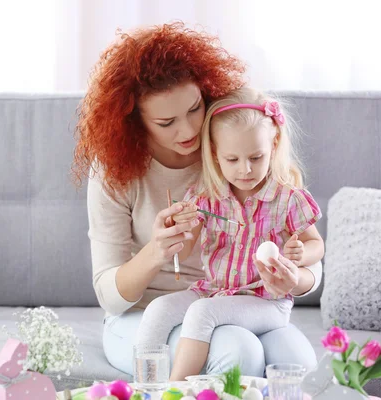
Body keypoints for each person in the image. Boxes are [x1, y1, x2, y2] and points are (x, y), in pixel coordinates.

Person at [72, 22, 322, 378]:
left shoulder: (236, 143)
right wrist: (157, 251)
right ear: (135, 122)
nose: (188, 131)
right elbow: (110, 297)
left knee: (297, 361)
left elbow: (303, 247)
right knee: (239, 350)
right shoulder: (115, 171)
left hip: (241, 304)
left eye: (194, 108)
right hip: (145, 315)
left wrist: (293, 278)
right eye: (166, 122)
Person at [132, 87, 324, 381]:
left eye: (256, 157)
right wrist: (178, 233)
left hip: (267, 301)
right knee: (159, 309)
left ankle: (174, 391)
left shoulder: (287, 198)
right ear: (215, 154)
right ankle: (145, 386)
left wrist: (302, 254)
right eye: (232, 159)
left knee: (201, 313)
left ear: (273, 145)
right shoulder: (206, 196)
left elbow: (316, 244)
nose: (245, 170)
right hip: (214, 289)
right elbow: (183, 253)